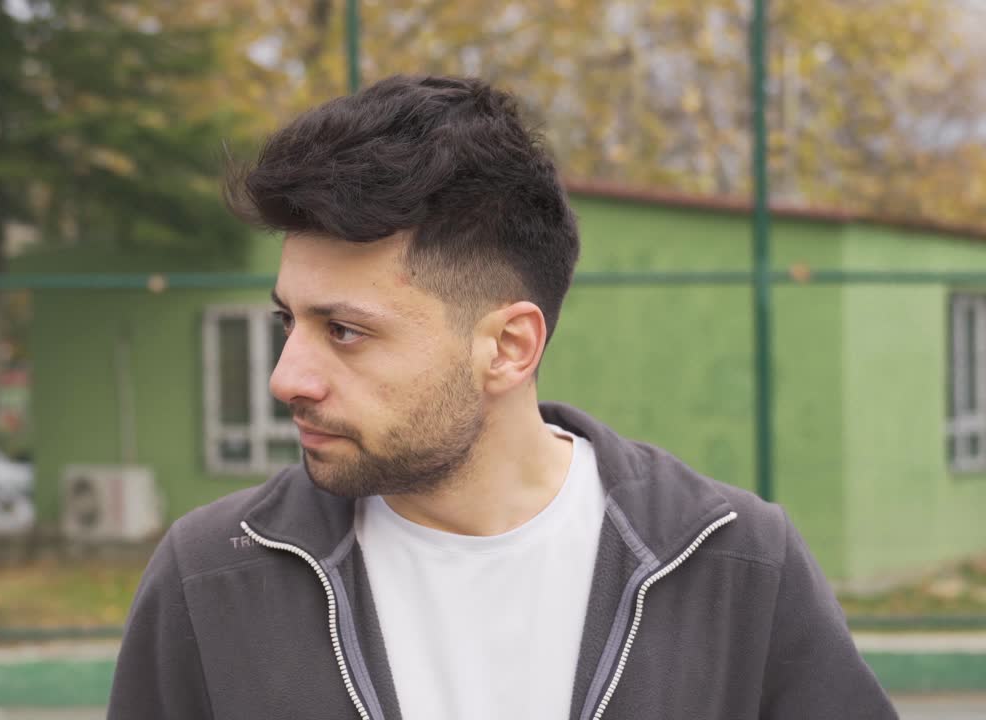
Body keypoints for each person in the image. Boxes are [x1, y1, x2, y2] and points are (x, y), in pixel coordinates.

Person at [106, 75, 898, 720]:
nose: (287, 377)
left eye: (344, 330)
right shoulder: (213, 578)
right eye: (289, 321)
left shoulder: (730, 560)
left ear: (509, 348)